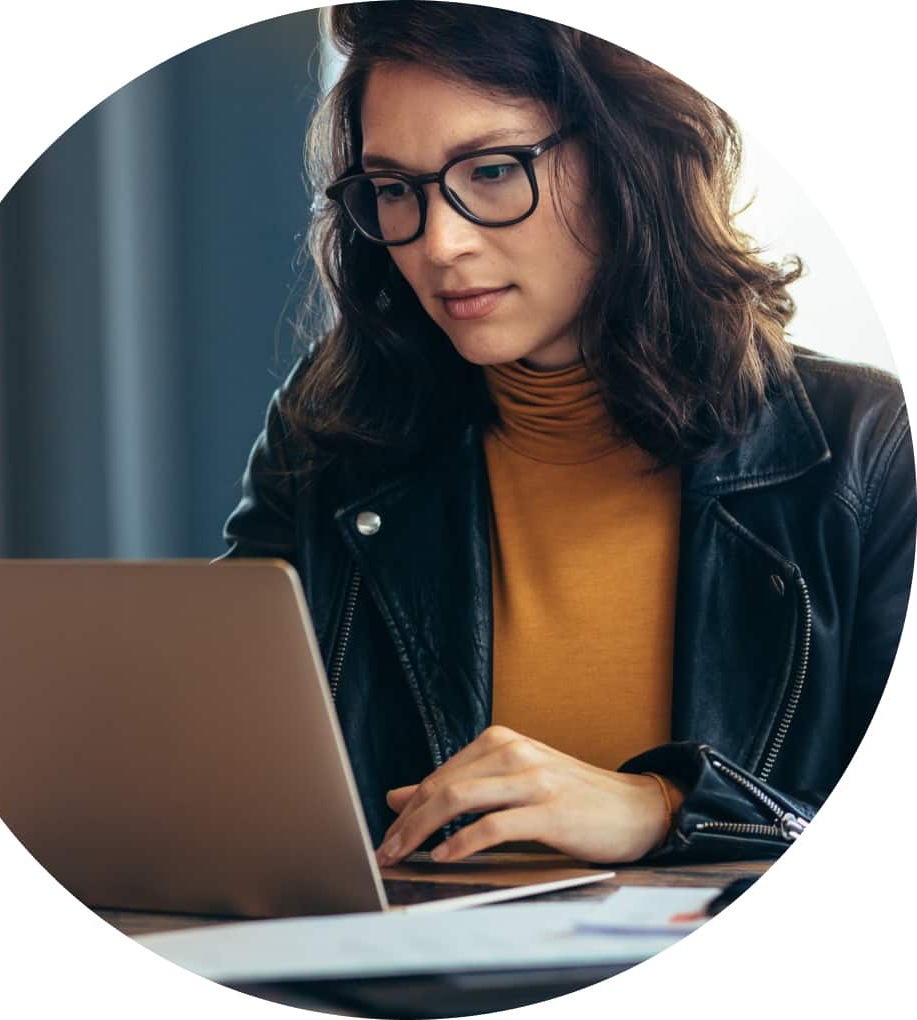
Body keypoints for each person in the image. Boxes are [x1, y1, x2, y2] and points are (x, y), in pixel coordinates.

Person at [222, 2, 915, 865]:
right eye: (396, 190)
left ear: (628, 159)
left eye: (492, 171)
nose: (440, 242)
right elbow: (218, 765)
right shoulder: (327, 433)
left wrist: (664, 808)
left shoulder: (860, 445)